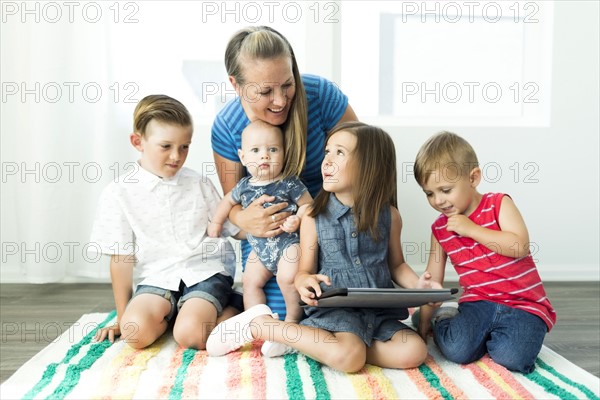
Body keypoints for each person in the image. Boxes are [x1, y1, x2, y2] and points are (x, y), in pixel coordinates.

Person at [206, 122, 437, 371]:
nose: (327, 160)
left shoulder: (390, 216)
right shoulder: (314, 217)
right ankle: (260, 325)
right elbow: (303, 271)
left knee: (415, 351)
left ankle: (320, 345)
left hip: (378, 313)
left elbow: (397, 265)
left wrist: (420, 287)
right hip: (336, 313)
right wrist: (305, 282)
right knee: (349, 359)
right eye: (327, 152)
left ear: (370, 166)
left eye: (339, 153)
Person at [211, 26, 358, 320]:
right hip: (270, 241)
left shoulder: (320, 95)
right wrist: (244, 219)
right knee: (280, 311)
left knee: (331, 310)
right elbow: (232, 206)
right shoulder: (227, 126)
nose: (280, 101)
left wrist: (315, 220)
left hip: (330, 222)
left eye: (287, 85)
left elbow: (364, 164)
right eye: (265, 91)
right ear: (235, 84)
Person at [90, 94, 241, 350]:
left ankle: (236, 304)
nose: (177, 156)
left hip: (204, 271)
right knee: (134, 334)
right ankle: (180, 313)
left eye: (185, 146)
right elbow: (121, 260)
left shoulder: (198, 183)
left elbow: (233, 229)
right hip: (158, 278)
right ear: (138, 142)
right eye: (166, 146)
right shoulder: (118, 192)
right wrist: (122, 316)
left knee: (191, 336)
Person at [412, 131, 556, 373]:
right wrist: (423, 321)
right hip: (478, 303)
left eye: (446, 190)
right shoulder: (440, 229)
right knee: (458, 351)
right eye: (429, 193)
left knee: (512, 358)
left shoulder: (499, 204)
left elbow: (519, 246)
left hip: (523, 304)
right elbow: (432, 281)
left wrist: (472, 230)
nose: (438, 200)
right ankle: (444, 319)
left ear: (473, 177)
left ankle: (496, 336)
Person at [208, 120, 312, 328]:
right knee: (250, 281)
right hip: (259, 247)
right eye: (255, 150)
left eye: (273, 149)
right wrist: (216, 223)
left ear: (284, 153)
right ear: (242, 157)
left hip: (287, 243)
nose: (264, 155)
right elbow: (227, 202)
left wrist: (297, 218)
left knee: (287, 278)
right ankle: (257, 321)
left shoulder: (289, 182)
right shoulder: (244, 186)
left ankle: (292, 320)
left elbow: (309, 204)